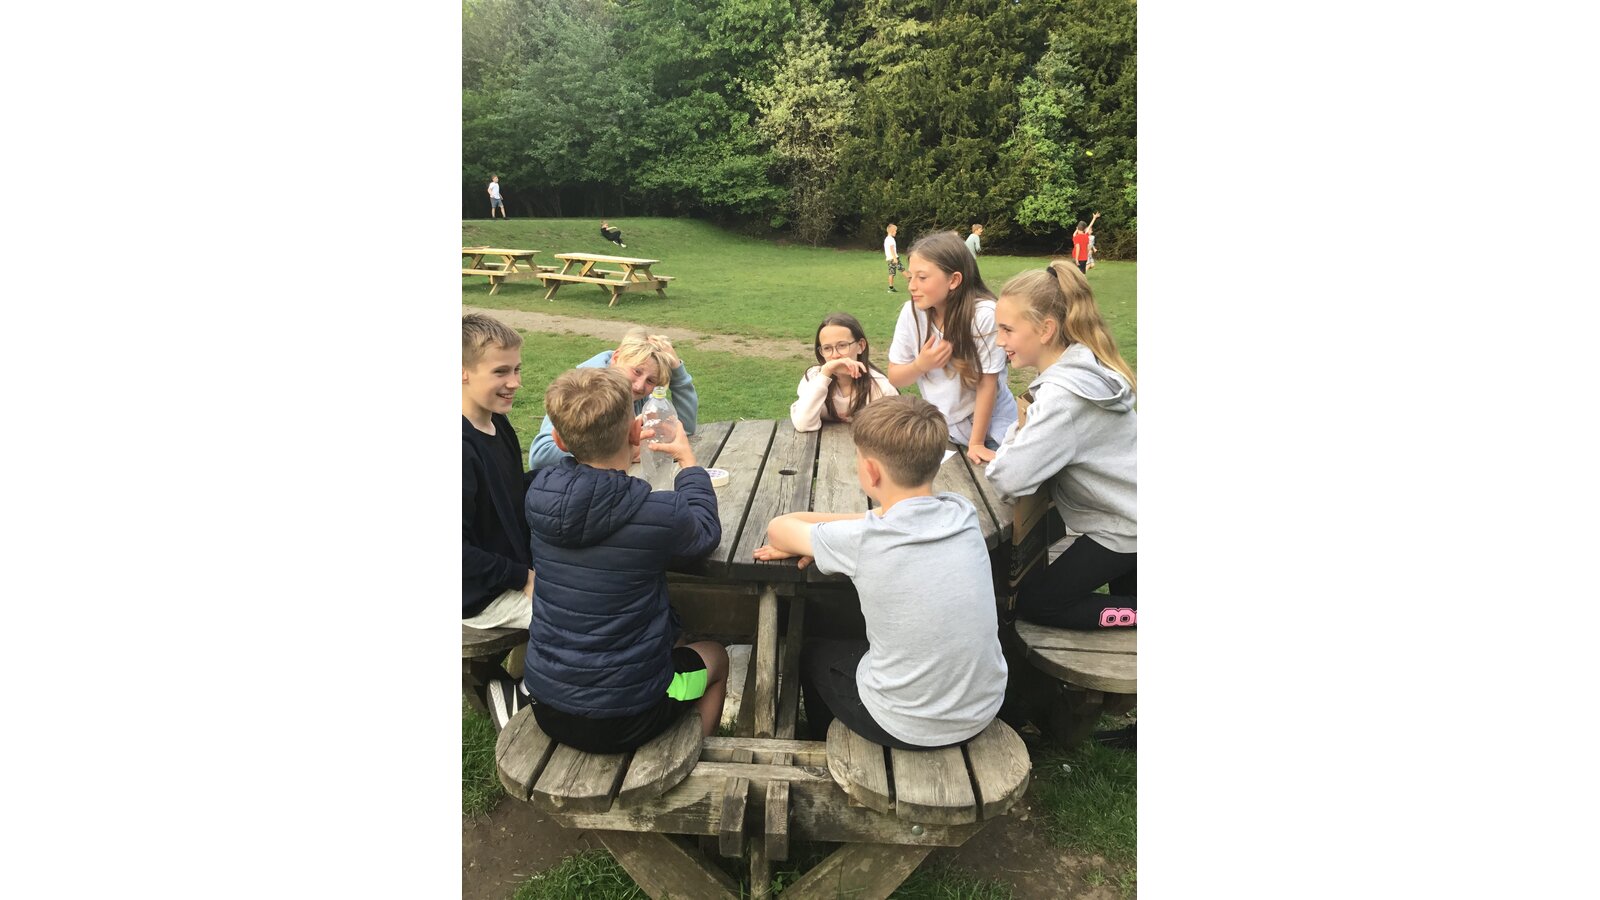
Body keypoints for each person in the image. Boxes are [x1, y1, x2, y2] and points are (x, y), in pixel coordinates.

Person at [484, 367, 729, 742]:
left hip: (547, 704)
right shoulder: (658, 513)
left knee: (666, 639)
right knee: (716, 656)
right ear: (635, 432)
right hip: (631, 715)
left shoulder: (537, 494)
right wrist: (687, 461)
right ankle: (693, 754)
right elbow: (705, 532)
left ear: (558, 441)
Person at [753, 396, 1007, 749]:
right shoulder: (961, 512)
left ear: (871, 471)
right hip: (982, 708)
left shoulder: (864, 540)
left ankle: (828, 743)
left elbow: (779, 528)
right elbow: (888, 520)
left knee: (812, 654)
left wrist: (822, 539)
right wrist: (840, 535)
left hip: (905, 725)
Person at [988, 262, 1136, 630]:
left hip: (1125, 527)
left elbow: (1007, 478)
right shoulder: (1085, 364)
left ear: (1046, 330)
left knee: (1039, 604)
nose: (999, 341)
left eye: (1007, 329)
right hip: (1127, 513)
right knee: (1127, 595)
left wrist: (1013, 438)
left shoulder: (1063, 398)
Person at [886, 230, 1019, 465]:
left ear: (954, 280)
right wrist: (920, 365)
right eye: (910, 277)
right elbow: (895, 376)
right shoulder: (912, 313)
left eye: (922, 278)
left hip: (991, 432)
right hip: (945, 431)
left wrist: (976, 443)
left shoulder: (984, 316)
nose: (912, 287)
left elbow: (987, 384)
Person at [527, 329, 698, 470]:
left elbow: (684, 427)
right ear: (616, 358)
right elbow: (541, 455)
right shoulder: (583, 390)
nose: (639, 386)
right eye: (636, 371)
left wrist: (677, 371)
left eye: (651, 381)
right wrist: (622, 447)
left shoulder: (640, 395)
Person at [461, 314, 534, 632]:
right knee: (590, 618)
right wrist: (523, 577)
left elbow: (510, 494)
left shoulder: (497, 422)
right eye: (501, 372)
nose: (515, 382)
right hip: (478, 597)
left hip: (513, 572)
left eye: (516, 369)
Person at [790, 312, 898, 432]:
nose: (835, 355)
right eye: (827, 348)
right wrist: (825, 373)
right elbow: (803, 424)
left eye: (842, 345)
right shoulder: (814, 378)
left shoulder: (880, 387)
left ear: (861, 346)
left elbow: (892, 432)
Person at [883, 223, 902, 292]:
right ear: (892, 231)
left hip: (890, 258)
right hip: (893, 258)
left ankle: (891, 287)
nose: (896, 232)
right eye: (895, 231)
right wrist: (895, 258)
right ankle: (912, 282)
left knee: (892, 273)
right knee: (902, 270)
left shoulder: (887, 239)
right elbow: (891, 249)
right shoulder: (890, 239)